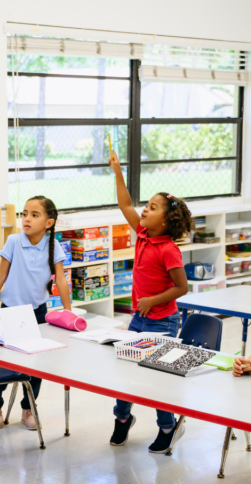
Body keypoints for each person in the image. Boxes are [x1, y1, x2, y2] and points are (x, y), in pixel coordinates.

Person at [106, 149, 191, 454]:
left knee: (156, 379)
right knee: (126, 371)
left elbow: (182, 287)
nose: (144, 210)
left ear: (167, 221)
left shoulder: (169, 249)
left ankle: (167, 427)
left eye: (152, 207)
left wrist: (152, 299)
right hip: (140, 318)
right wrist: (117, 170)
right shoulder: (142, 233)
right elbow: (125, 203)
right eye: (147, 205)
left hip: (164, 321)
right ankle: (122, 418)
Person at [0, 196, 72, 430]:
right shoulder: (14, 241)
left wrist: (69, 312)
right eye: (25, 213)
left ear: (49, 223)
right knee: (3, 362)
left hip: (38, 313)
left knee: (35, 365)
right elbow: (0, 275)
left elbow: (61, 280)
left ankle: (28, 407)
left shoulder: (52, 245)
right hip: (11, 312)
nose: (26, 219)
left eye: (34, 215)